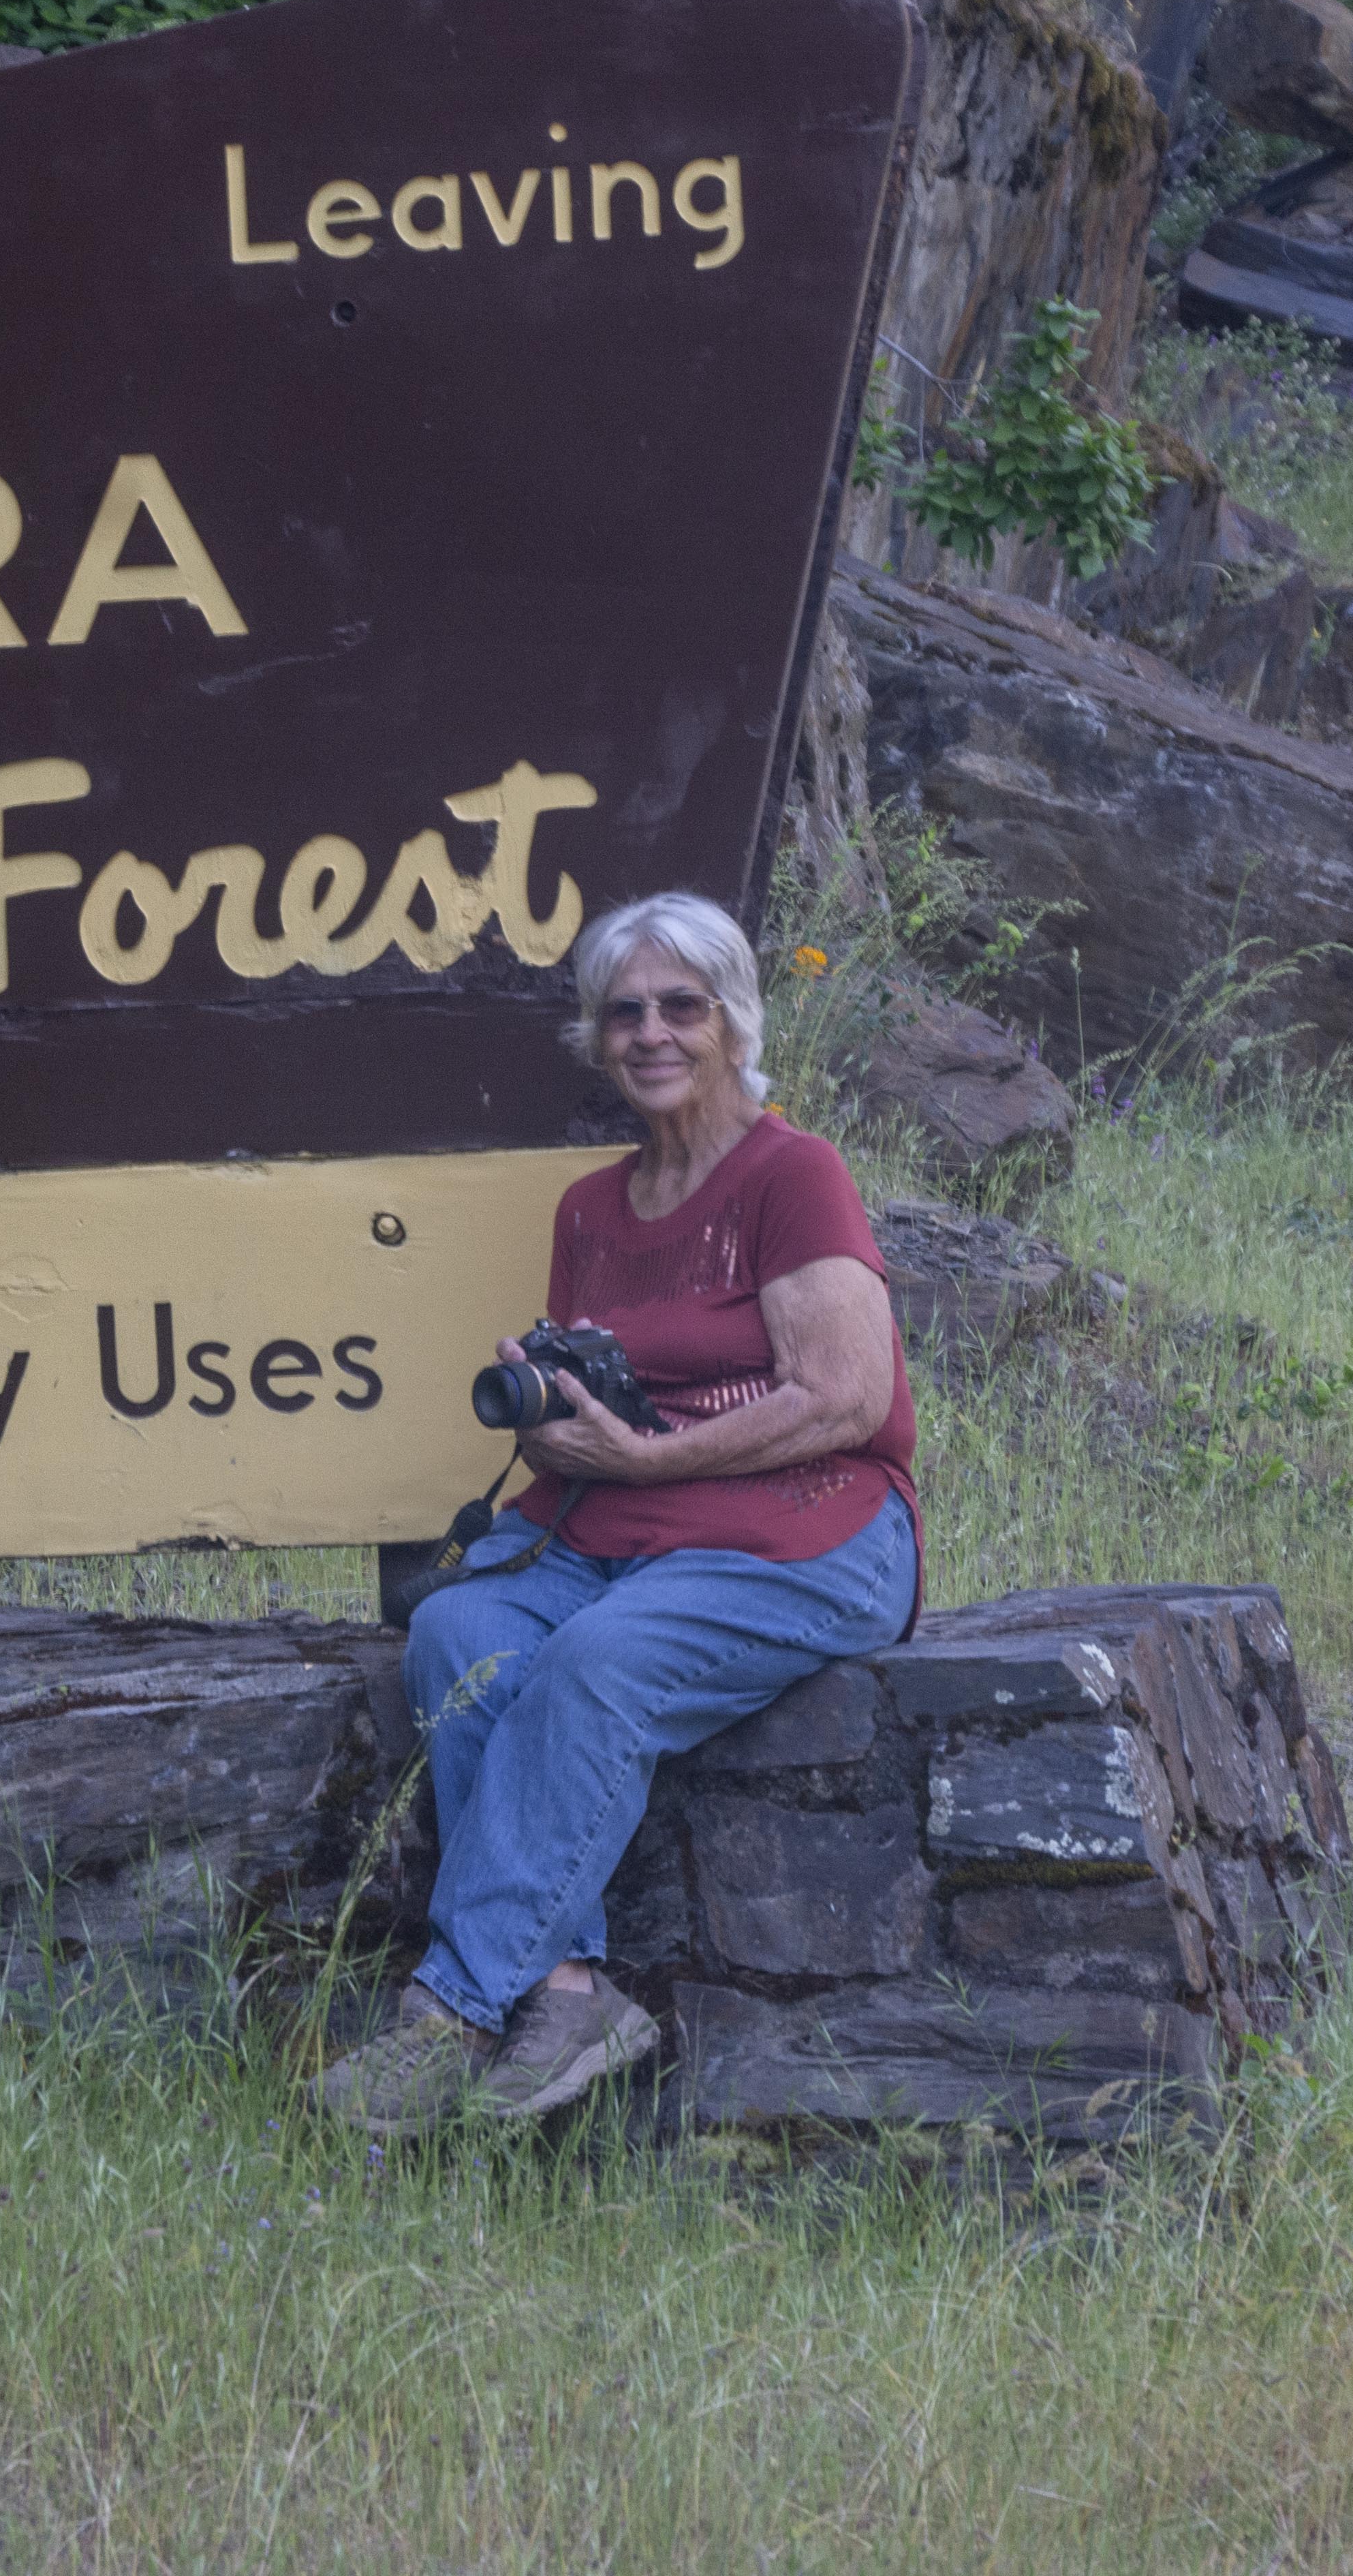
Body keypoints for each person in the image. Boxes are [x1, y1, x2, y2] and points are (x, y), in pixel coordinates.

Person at [314, 891, 922, 2134]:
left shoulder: (794, 1176)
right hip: (623, 1534)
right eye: (624, 1010)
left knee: (597, 1665)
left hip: (809, 1533)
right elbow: (603, 1400)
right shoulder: (591, 1208)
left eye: (681, 1007)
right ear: (598, 1035)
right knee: (458, 1637)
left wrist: (648, 1456)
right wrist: (557, 1421)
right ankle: (569, 1990)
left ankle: (449, 2018)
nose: (652, 1032)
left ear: (734, 1021)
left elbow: (847, 1397)